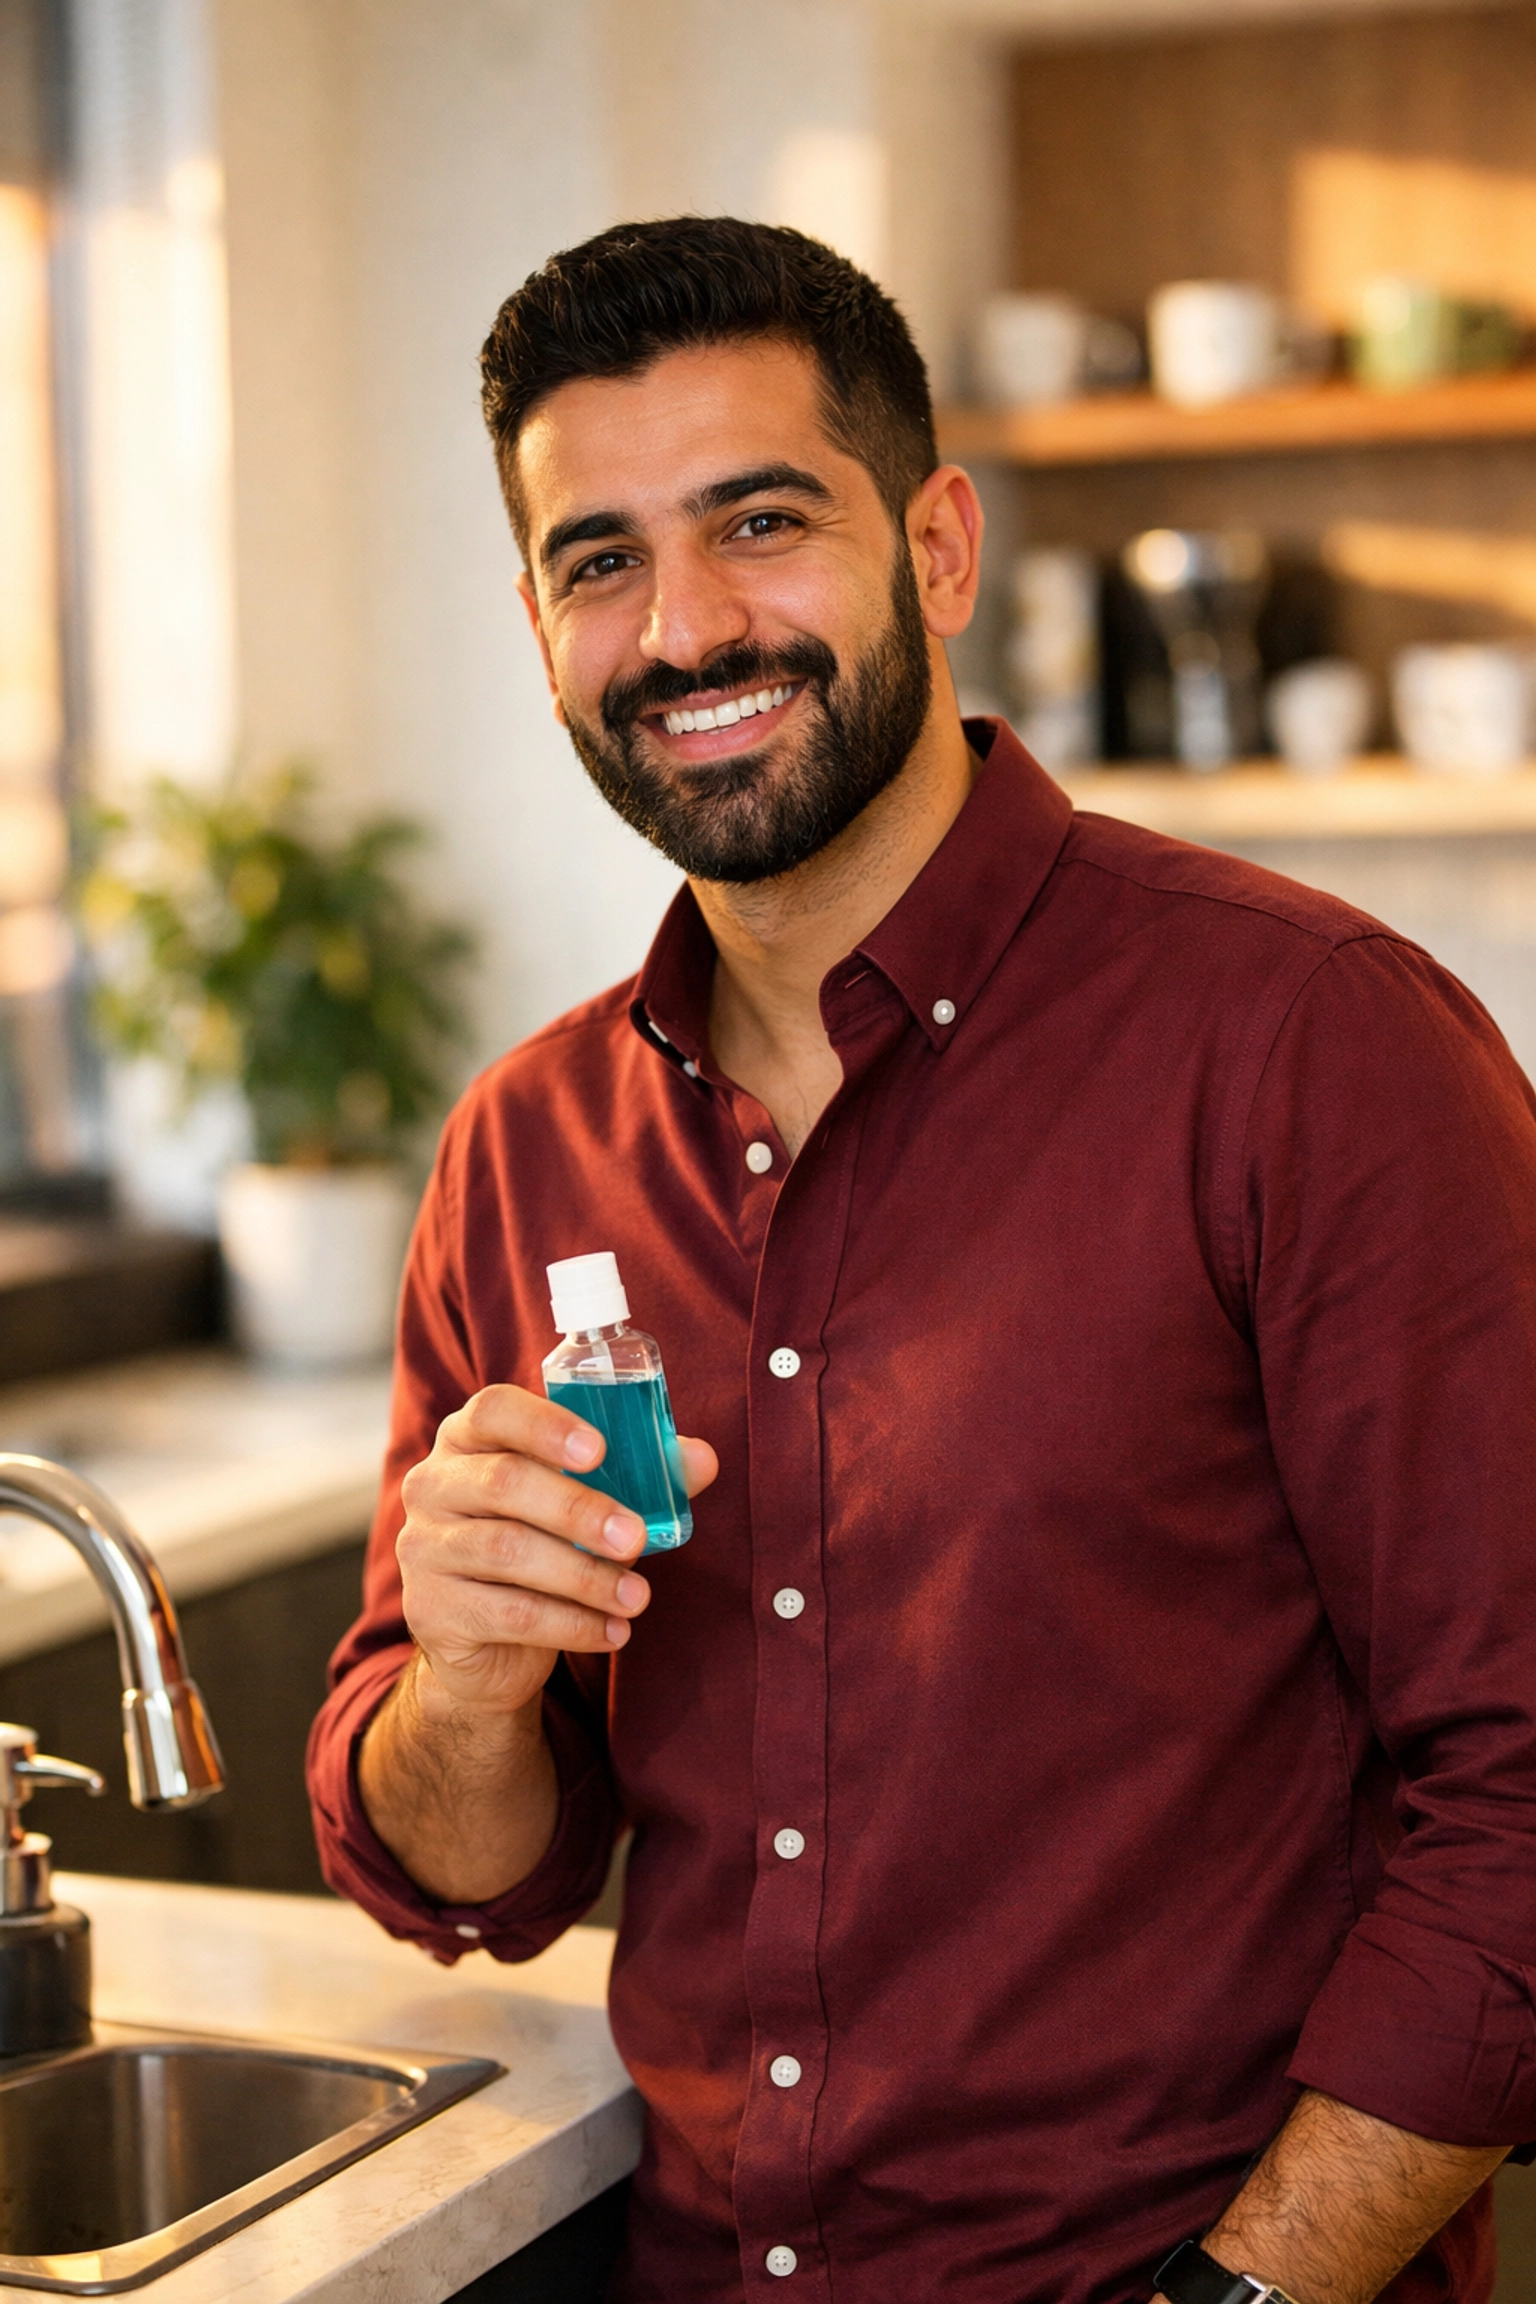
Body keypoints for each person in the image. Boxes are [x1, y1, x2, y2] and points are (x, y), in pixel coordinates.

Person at [307, 218, 1536, 2304]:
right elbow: (468, 1876)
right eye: (600, 560)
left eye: (758, 522)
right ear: (537, 628)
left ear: (942, 551)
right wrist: (473, 1677)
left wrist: (1237, 2297)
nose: (687, 628)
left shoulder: (1313, 1044)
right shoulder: (521, 1150)